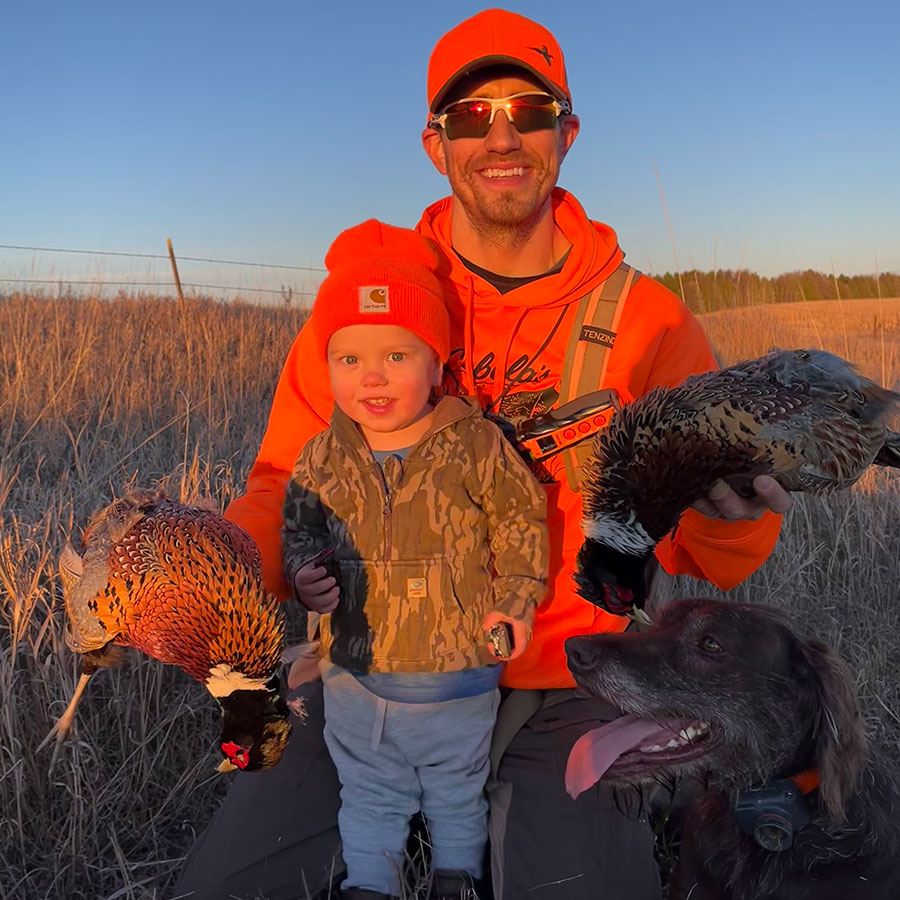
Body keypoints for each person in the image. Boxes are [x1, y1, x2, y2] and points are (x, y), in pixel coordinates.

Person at [172, 9, 792, 900]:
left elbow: (720, 552)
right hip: (371, 668)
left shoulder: (650, 324)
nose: (501, 136)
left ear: (566, 131)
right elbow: (282, 484)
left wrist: (724, 507)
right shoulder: (365, 305)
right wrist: (217, 563)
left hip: (566, 677)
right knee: (229, 884)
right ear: (436, 143)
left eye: (529, 110)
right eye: (470, 115)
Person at [281, 219, 548, 900]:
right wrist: (305, 574)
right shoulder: (322, 455)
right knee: (368, 791)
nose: (371, 376)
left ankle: (456, 877)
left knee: (456, 792)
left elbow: (521, 522)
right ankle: (372, 882)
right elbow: (300, 526)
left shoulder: (477, 445)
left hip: (455, 677)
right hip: (353, 677)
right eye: (349, 360)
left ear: (437, 362)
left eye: (397, 356)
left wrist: (515, 600)